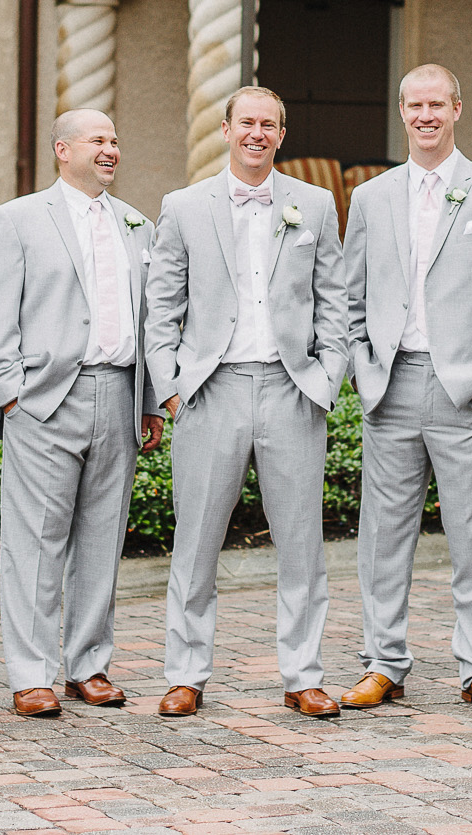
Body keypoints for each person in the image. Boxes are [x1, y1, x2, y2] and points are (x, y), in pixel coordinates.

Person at [146, 86, 348, 718]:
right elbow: (161, 307)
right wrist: (172, 389)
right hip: (213, 390)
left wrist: (326, 380)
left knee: (301, 545)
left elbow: (334, 300)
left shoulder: (313, 205)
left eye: (269, 124)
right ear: (227, 130)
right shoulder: (182, 206)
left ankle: (303, 674)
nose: (257, 133)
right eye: (246, 123)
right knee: (196, 541)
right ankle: (186, 673)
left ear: (280, 135)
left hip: (293, 391)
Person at [343, 63, 472, 714]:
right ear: (402, 112)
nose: (425, 115)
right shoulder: (371, 196)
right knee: (382, 535)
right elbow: (348, 297)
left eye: (437, 103)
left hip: (466, 390)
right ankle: (383, 661)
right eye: (414, 105)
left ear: (459, 107)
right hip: (390, 384)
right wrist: (363, 367)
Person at [0, 109, 164, 717]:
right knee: (35, 540)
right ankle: (31, 672)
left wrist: (150, 400)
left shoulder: (137, 224)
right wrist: (10, 392)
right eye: (97, 140)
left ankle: (89, 664)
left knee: (102, 538)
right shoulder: (17, 219)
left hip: (119, 393)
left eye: (115, 139)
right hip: (45, 397)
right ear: (63, 148)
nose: (111, 149)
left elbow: (151, 320)